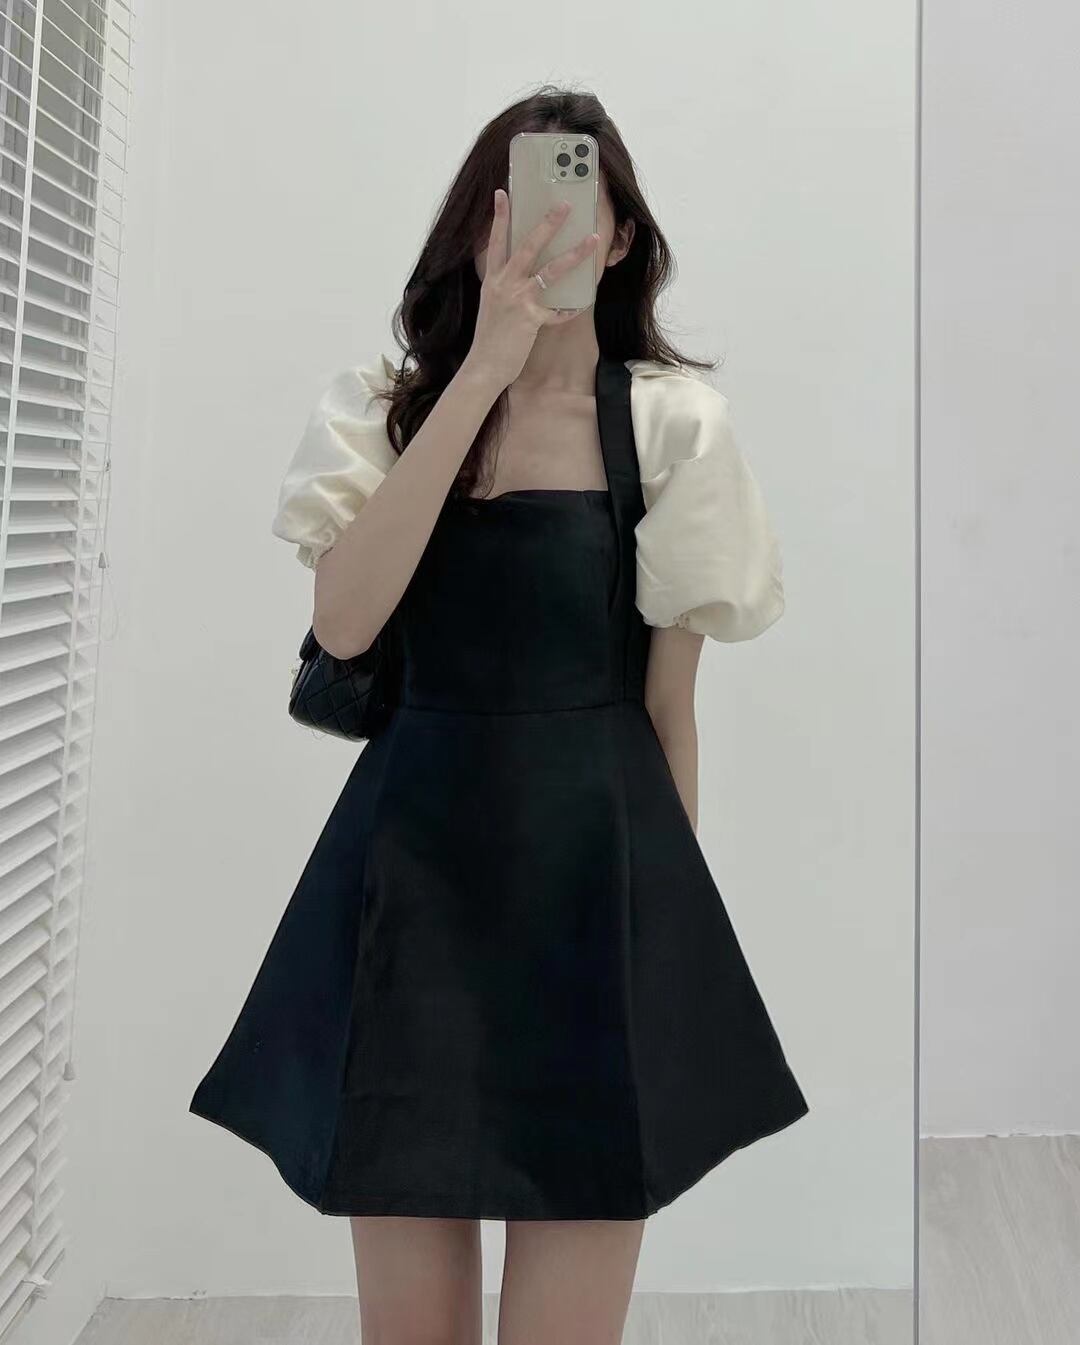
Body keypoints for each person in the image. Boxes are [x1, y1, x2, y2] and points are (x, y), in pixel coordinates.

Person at [190, 88, 809, 1345]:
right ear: (481, 230)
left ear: (621, 238)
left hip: (591, 889)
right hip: (410, 897)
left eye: (582, 209)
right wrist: (482, 369)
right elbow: (346, 623)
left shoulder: (672, 427)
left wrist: (660, 937)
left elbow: (669, 708)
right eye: (520, 208)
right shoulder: (386, 410)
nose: (552, 233)